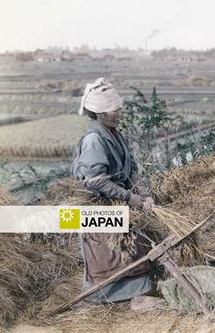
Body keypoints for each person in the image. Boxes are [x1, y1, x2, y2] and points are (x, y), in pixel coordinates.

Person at [71, 77, 159, 306]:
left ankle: (135, 292)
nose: (120, 111)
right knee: (107, 256)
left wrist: (144, 194)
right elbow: (96, 181)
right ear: (100, 113)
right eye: (114, 109)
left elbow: (132, 170)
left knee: (134, 248)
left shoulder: (115, 135)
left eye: (119, 106)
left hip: (118, 202)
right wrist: (130, 198)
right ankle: (105, 296)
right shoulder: (94, 140)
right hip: (99, 207)